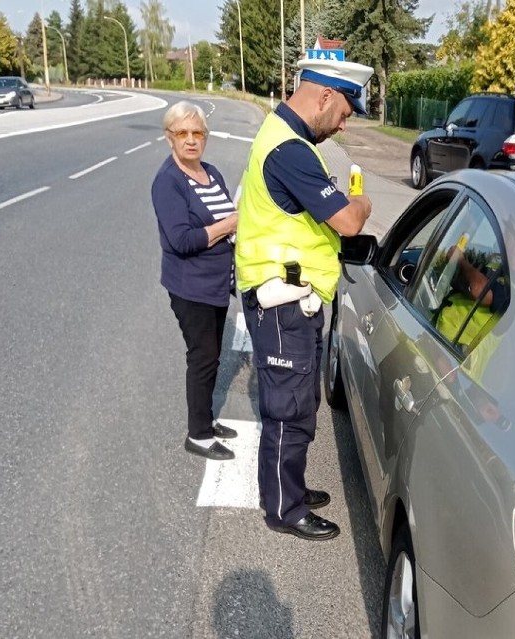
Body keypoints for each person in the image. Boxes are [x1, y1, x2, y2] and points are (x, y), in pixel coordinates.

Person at [235, 58, 374, 541]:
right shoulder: (289, 150)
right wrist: (362, 203)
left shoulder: (287, 138)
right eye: (344, 110)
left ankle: (288, 486)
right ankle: (283, 508)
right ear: (323, 96)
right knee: (287, 407)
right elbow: (349, 221)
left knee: (298, 400)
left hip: (293, 299)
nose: (345, 121)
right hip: (281, 301)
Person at [151, 100, 239, 461]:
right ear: (169, 138)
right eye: (182, 133)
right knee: (202, 358)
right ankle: (198, 434)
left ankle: (205, 419)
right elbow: (182, 240)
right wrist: (229, 226)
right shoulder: (168, 182)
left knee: (212, 356)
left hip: (216, 285)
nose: (191, 140)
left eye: (197, 133)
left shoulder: (212, 173)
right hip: (191, 287)